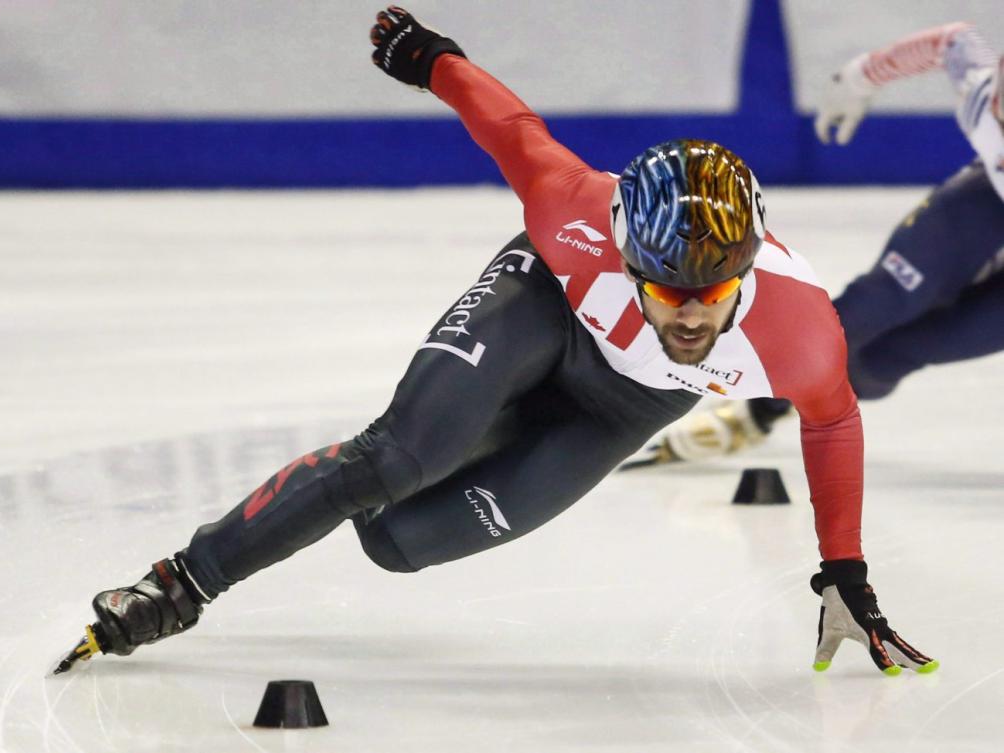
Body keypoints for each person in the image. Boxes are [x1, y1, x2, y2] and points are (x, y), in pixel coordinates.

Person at [54, 7, 936, 678]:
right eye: (669, 289)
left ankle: (393, 461)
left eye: (715, 291)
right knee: (393, 459)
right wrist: (435, 61)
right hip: (542, 306)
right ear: (627, 251)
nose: (694, 316)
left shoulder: (803, 328)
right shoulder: (575, 213)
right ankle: (182, 581)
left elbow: (832, 425)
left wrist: (842, 570)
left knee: (397, 541)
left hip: (627, 404)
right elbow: (516, 135)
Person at [628, 21, 1004, 467]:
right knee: (872, 308)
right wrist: (861, 77)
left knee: (885, 361)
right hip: (986, 203)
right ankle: (751, 404)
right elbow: (954, 42)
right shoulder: (983, 100)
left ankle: (759, 411)